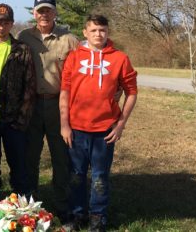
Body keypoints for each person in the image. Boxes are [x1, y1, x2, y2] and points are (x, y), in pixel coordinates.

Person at [59, 14, 137, 232]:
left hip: (105, 131)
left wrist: (121, 124)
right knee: (76, 175)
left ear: (107, 32)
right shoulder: (74, 57)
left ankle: (97, 217)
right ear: (85, 32)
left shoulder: (120, 58)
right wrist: (64, 123)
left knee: (100, 177)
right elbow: (64, 91)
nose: (98, 34)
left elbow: (131, 92)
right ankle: (76, 215)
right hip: (76, 129)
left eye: (102, 30)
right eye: (93, 30)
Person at [17, 0, 78, 222]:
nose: (44, 14)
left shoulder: (69, 39)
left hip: (58, 105)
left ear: (55, 13)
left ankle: (63, 204)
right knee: (30, 156)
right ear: (34, 13)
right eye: (40, 10)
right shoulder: (23, 36)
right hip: (31, 105)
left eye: (48, 10)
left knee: (61, 157)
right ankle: (31, 206)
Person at [0, 4, 36, 200]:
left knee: (18, 166)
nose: (2, 26)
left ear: (12, 24)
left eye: (7, 22)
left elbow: (29, 86)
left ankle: (22, 205)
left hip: (13, 120)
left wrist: (22, 120)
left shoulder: (21, 50)